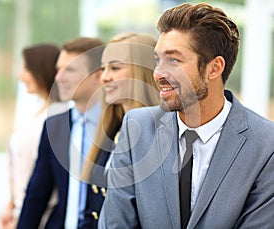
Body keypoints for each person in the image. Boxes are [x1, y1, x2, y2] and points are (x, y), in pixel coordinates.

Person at [98, 3, 274, 229]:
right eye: (157, 60)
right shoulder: (136, 128)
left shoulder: (266, 146)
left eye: (173, 60)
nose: (158, 74)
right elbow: (115, 223)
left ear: (214, 68)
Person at [16, 37, 105, 229]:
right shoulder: (55, 126)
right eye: (58, 69)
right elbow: (37, 194)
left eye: (69, 70)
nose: (58, 78)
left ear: (98, 75)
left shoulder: (118, 127)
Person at [80, 32, 160, 208]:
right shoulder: (109, 133)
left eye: (115, 68)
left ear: (143, 73)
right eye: (103, 69)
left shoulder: (163, 138)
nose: (104, 77)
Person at [0, 43, 64, 229]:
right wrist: (11, 204)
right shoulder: (36, 113)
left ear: (41, 70)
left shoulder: (56, 119)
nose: (21, 76)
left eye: (26, 69)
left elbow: (42, 180)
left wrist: (22, 219)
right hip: (23, 211)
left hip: (38, 218)